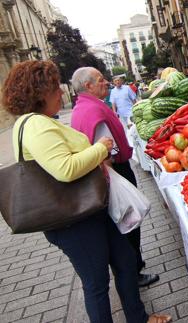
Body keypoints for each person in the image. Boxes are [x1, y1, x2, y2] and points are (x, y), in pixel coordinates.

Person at [1, 60, 171, 323]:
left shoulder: (41, 122)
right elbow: (65, 169)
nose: (61, 92)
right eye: (55, 87)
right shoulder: (35, 125)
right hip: (72, 220)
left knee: (125, 260)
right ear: (39, 93)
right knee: (96, 283)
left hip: (90, 210)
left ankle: (139, 318)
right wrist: (101, 148)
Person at [70, 67, 160, 288]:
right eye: (100, 80)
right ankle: (133, 272)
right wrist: (115, 182)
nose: (106, 83)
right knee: (128, 219)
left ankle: (131, 267)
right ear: (88, 85)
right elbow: (106, 151)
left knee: (122, 221)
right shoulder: (94, 111)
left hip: (104, 174)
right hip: (113, 172)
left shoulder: (82, 108)